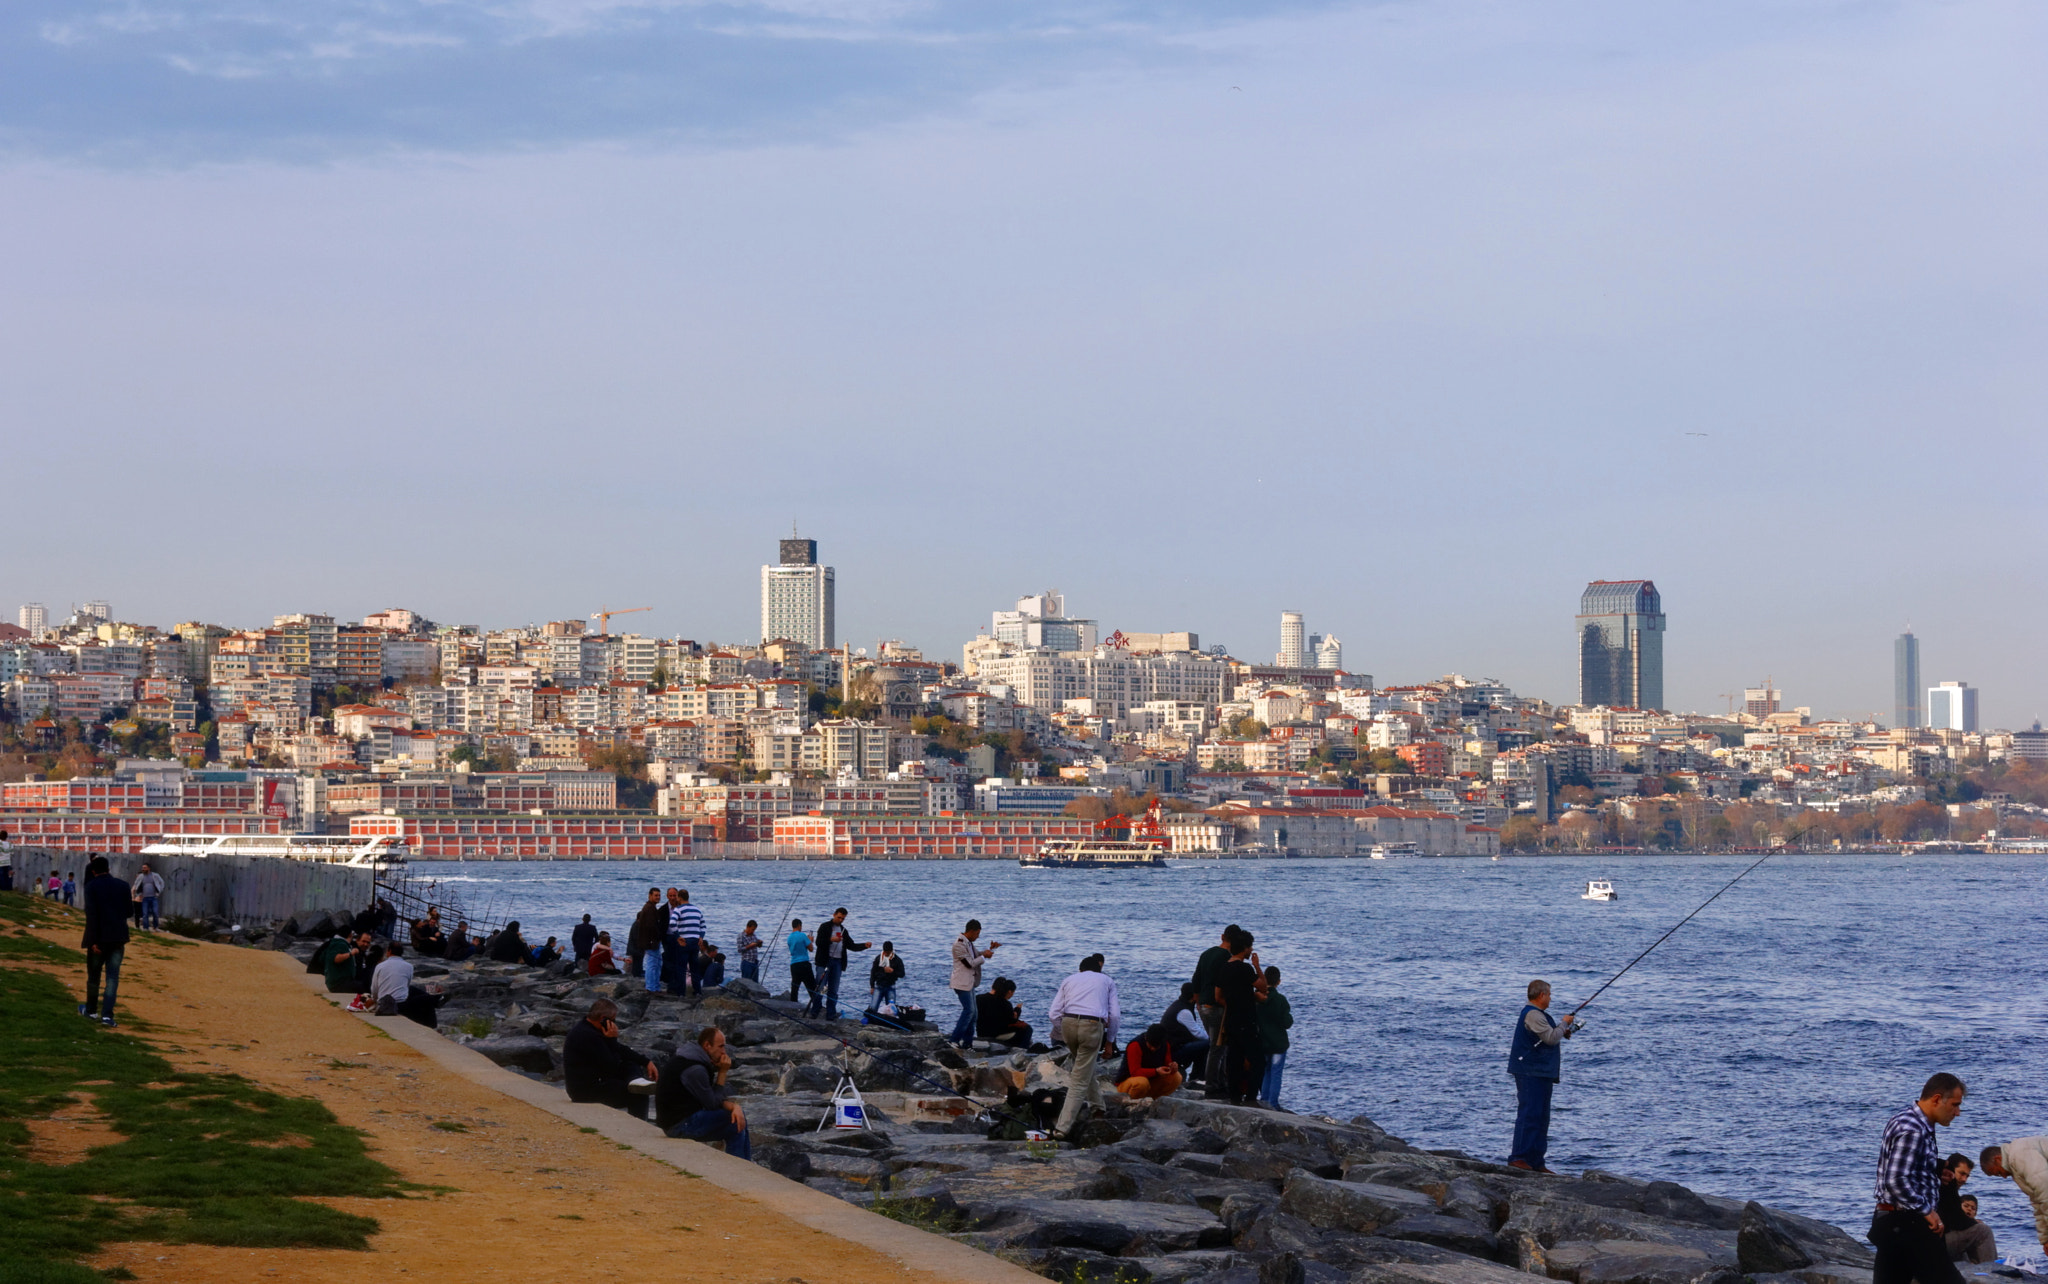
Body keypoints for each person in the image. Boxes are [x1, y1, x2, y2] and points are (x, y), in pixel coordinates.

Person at [1870, 1072, 1967, 1284]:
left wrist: (1933, 1171)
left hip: (1891, 1221)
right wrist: (1928, 1212)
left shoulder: (1907, 1119)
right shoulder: (1914, 1129)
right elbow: (1895, 1180)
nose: (1957, 1112)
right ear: (1936, 1099)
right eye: (1954, 1104)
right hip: (1908, 1223)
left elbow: (1903, 1166)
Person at [1047, 954, 1121, 1138]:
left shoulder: (1069, 979)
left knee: (1083, 1068)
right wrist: (1110, 1042)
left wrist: (1062, 1030)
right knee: (1079, 1078)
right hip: (1092, 1026)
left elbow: (1053, 1013)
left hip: (1068, 1024)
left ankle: (1098, 1108)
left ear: (1080, 969)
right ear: (1099, 969)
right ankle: (1062, 1128)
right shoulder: (1107, 981)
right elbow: (1115, 1016)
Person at [655, 1026, 750, 1159]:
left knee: (737, 1119)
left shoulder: (689, 1056)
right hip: (678, 1125)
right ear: (707, 1046)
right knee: (735, 1123)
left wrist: (734, 1107)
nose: (724, 1052)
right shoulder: (695, 1069)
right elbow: (712, 1104)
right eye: (721, 1046)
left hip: (675, 1120)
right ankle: (741, 1169)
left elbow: (711, 1098)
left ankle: (744, 1164)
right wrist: (722, 1073)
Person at [563, 999, 657, 1121]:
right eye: (613, 1019)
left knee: (631, 1062)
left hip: (595, 1081)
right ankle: (638, 1126)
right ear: (603, 1019)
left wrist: (645, 1061)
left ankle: (636, 1081)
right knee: (638, 1095)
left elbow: (620, 1050)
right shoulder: (587, 1036)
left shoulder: (588, 1027)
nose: (614, 1022)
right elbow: (611, 1065)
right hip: (585, 1091)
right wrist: (612, 1039)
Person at [1213, 930, 1264, 1105]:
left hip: (1231, 1020)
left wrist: (1232, 1002)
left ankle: (1234, 1096)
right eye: (1250, 947)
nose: (1251, 951)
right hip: (1246, 1020)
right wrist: (1257, 965)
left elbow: (1218, 996)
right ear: (1244, 948)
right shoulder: (1245, 968)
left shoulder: (1224, 967)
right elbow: (1263, 987)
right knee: (1257, 1060)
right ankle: (1250, 1097)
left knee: (1234, 1059)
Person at [79, 855, 130, 1027]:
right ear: (109, 869)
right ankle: (107, 1016)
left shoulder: (91, 886)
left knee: (94, 977)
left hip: (98, 939)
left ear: (93, 871)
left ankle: (91, 1011)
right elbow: (129, 912)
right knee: (112, 978)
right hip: (118, 939)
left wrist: (93, 941)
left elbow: (91, 915)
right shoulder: (123, 886)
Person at [1979, 1139, 2048, 1260]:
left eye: (1999, 1173)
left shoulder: (2020, 1156)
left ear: (1998, 1159)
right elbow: (2037, 1202)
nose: (2004, 1177)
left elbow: (2046, 1196)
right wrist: (2045, 1239)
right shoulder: (2014, 1168)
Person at [1191, 926, 1239, 1099]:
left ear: (1222, 936)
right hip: (1217, 1005)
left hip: (1203, 1005)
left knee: (1216, 1045)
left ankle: (1218, 1083)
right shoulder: (1227, 958)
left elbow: (1196, 979)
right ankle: (1213, 1086)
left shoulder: (1206, 954)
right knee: (1218, 1047)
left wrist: (1197, 1001)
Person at [950, 919, 1001, 1047]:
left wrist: (989, 950)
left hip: (970, 982)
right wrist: (985, 957)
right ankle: (954, 1040)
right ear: (971, 931)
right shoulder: (959, 944)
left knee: (973, 1014)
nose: (978, 937)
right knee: (969, 1011)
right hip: (962, 983)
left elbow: (976, 955)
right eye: (977, 934)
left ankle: (967, 1043)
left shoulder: (968, 943)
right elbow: (970, 963)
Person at [812, 908, 870, 1020]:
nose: (840, 920)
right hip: (824, 962)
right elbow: (819, 942)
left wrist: (864, 945)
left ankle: (831, 1014)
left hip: (837, 962)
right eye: (839, 917)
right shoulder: (825, 927)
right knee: (821, 988)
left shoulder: (844, 930)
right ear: (834, 915)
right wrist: (831, 939)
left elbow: (851, 945)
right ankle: (815, 1011)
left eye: (843, 918)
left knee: (833, 990)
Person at [1937, 1155, 1994, 1263]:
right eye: (1961, 1173)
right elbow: (1959, 1221)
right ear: (1949, 1169)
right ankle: (1990, 1272)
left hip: (1931, 1241)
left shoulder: (1934, 1184)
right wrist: (1974, 1222)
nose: (1964, 1179)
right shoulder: (1946, 1188)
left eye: (1967, 1176)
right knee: (1983, 1231)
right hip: (1935, 1244)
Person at [370, 940, 441, 1027]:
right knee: (426, 998)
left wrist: (374, 999)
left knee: (414, 990)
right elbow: (406, 986)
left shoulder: (380, 966)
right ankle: (433, 1021)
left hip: (383, 1002)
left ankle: (435, 999)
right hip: (400, 1004)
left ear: (389, 951)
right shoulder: (409, 966)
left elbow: (374, 988)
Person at [1257, 965, 1292, 1109]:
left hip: (1263, 1041)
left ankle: (1264, 1100)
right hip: (1278, 1043)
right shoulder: (1280, 1000)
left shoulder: (1257, 998)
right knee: (1276, 1073)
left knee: (1265, 1071)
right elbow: (1287, 1022)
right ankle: (1273, 1103)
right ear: (1278, 981)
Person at [1118, 1025, 1183, 1100]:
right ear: (1146, 1039)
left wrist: (1172, 1067)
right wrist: (1156, 1071)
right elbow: (1134, 1072)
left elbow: (1167, 1064)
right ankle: (1130, 1103)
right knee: (1141, 1083)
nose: (1153, 1049)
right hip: (1128, 1083)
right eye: (1151, 1045)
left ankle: (1156, 1100)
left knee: (1176, 1077)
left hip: (1150, 1082)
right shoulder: (1135, 1045)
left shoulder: (1165, 1045)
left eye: (1156, 1047)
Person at [1163, 983, 1209, 1082]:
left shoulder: (1179, 1005)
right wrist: (1214, 1038)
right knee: (1209, 1044)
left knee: (1201, 1045)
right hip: (1174, 1051)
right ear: (1193, 996)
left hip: (1173, 1047)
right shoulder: (1184, 1011)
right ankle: (1199, 1078)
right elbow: (1197, 1032)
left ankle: (1196, 1077)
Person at [668, 889, 708, 996]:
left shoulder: (678, 909)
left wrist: (678, 936)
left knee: (681, 968)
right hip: (695, 941)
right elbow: (703, 926)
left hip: (684, 941)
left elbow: (671, 923)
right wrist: (701, 937)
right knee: (694, 967)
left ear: (679, 898)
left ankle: (681, 992)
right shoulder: (697, 910)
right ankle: (697, 991)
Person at [976, 977, 1033, 1049]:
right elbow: (1011, 1021)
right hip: (996, 1034)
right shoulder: (1004, 1003)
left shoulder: (978, 998)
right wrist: (1017, 1010)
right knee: (1027, 1029)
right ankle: (1021, 1050)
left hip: (981, 1033)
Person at [631, 888, 667, 990]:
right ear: (650, 896)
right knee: (652, 964)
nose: (658, 897)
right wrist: (657, 938)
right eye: (656, 895)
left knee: (655, 963)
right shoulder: (650, 909)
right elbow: (651, 927)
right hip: (651, 942)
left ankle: (653, 986)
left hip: (650, 941)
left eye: (659, 895)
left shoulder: (650, 908)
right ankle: (652, 987)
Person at [787, 918, 819, 1009]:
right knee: (811, 986)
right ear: (799, 926)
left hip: (794, 964)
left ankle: (793, 1005)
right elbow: (811, 949)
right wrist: (810, 941)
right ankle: (816, 1006)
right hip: (804, 963)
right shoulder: (802, 935)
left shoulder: (789, 937)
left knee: (795, 986)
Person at [868, 941, 906, 1012]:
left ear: (891, 951)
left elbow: (902, 974)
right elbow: (873, 972)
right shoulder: (878, 958)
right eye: (885, 952)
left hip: (890, 986)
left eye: (888, 953)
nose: (886, 954)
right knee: (873, 1008)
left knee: (891, 1010)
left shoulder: (897, 960)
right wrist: (872, 986)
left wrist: (893, 971)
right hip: (879, 986)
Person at [132, 863, 165, 930]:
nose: (143, 869)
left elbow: (162, 883)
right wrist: (138, 894)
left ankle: (155, 927)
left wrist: (159, 891)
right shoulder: (141, 876)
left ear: (149, 868)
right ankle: (145, 927)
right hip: (144, 898)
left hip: (153, 897)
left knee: (155, 913)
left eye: (145, 868)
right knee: (145, 913)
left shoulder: (155, 875)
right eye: (142, 868)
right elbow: (136, 884)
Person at [0, 827, 14, 892]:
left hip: (1, 862)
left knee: (1, 877)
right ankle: (8, 888)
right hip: (8, 862)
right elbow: (12, 853)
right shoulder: (10, 844)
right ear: (6, 837)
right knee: (7, 876)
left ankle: (3, 889)